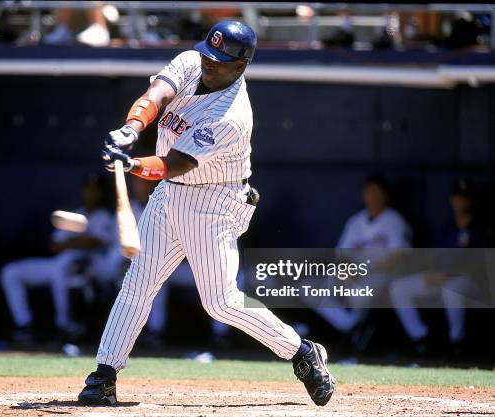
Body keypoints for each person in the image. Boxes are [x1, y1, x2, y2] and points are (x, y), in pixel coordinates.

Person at [76, 20, 335, 407]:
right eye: (208, 55)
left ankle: (301, 352)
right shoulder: (191, 61)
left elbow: (175, 163)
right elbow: (156, 94)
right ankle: (104, 375)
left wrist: (130, 166)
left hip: (214, 201)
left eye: (219, 61)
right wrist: (131, 129)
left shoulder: (232, 115)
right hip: (169, 196)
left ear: (241, 66)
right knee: (138, 281)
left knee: (220, 301)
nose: (208, 64)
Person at [0, 174, 117, 341]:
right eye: (88, 189)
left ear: (102, 193)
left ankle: (64, 326)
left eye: (95, 190)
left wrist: (74, 241)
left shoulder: (105, 217)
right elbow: (54, 245)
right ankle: (24, 324)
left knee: (63, 271)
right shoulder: (76, 214)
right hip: (60, 262)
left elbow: (96, 242)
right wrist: (75, 241)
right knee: (10, 272)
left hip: (89, 265)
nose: (90, 193)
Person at [389, 178, 489, 354]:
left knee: (452, 289)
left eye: (465, 197)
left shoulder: (481, 228)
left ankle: (456, 343)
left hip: (470, 282)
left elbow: (482, 265)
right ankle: (421, 339)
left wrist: (449, 274)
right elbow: (435, 258)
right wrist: (431, 272)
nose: (460, 201)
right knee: (399, 287)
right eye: (457, 197)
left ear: (472, 200)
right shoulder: (447, 229)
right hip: (441, 278)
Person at [312, 175, 412, 346]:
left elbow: (398, 256)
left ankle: (354, 335)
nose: (372, 196)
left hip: (382, 275)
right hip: (355, 274)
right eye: (369, 192)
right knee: (312, 289)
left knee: (358, 294)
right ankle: (351, 326)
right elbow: (341, 255)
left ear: (385, 195)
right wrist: (347, 272)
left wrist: (364, 273)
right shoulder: (356, 221)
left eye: (376, 192)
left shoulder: (394, 220)